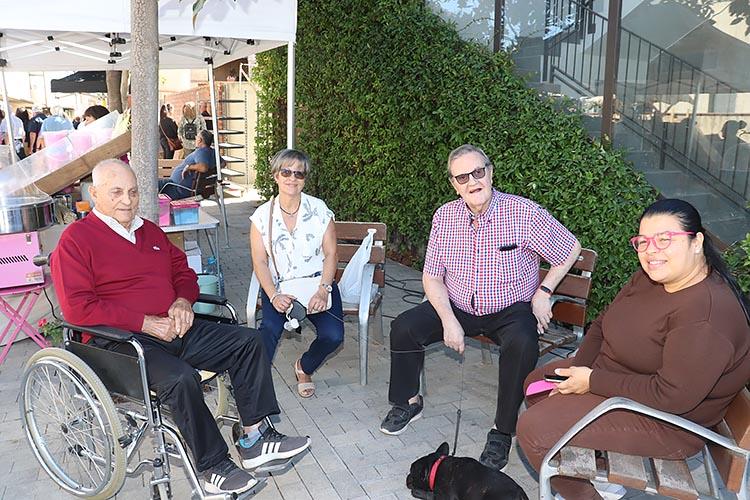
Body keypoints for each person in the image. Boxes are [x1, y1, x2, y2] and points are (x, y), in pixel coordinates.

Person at [50, 159, 311, 496]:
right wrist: (144, 323)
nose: (127, 200)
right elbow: (77, 307)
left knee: (249, 341)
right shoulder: (76, 240)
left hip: (173, 326)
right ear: (94, 194)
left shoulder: (150, 231)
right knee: (180, 377)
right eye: (116, 192)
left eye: (133, 192)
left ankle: (254, 439)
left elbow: (184, 274)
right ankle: (213, 468)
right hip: (120, 343)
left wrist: (183, 302)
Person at [516, 198, 750, 500]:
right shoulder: (651, 277)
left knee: (533, 429)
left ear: (697, 242)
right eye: (643, 242)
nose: (651, 251)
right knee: (536, 386)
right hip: (625, 382)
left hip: (668, 422)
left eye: (665, 240)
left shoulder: (706, 316)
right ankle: (601, 475)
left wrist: (592, 381)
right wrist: (579, 371)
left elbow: (672, 396)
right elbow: (603, 322)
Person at [379, 144, 581, 472]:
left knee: (522, 343)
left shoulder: (523, 213)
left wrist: (544, 292)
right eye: (463, 177)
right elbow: (432, 277)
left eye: (478, 172)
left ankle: (502, 431)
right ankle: (409, 402)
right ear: (454, 184)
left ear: (490, 172)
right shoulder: (445, 216)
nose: (473, 181)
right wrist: (448, 320)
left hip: (510, 309)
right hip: (458, 305)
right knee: (403, 327)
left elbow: (570, 247)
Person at [249, 149, 344, 398]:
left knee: (334, 335)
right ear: (276, 176)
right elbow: (259, 261)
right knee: (269, 329)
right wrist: (273, 296)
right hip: (280, 287)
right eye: (286, 172)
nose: (292, 178)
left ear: (305, 178)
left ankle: (305, 367)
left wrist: (323, 290)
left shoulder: (319, 209)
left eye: (299, 174)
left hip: (317, 284)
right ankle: (253, 387)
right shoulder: (262, 216)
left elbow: (331, 254)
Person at [158, 130, 218, 200]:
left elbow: (204, 167)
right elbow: (223, 164)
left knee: (151, 184)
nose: (195, 139)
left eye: (196, 137)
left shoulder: (201, 152)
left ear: (199, 140)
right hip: (179, 186)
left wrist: (189, 167)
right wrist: (211, 169)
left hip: (177, 188)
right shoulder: (213, 152)